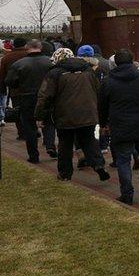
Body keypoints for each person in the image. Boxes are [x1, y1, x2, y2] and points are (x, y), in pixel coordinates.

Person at [35, 47, 110, 182]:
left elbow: (44, 96)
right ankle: (99, 164)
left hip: (65, 114)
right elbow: (98, 90)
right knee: (89, 140)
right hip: (88, 113)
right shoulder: (88, 70)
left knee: (65, 143)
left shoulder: (54, 73)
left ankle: (65, 173)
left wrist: (40, 116)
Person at [99, 49, 139, 204]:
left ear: (116, 63)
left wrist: (103, 123)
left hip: (120, 124)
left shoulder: (107, 81)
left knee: (123, 160)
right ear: (132, 61)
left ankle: (127, 193)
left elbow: (102, 106)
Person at [5, 39, 54, 163]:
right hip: (47, 96)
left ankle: (33, 155)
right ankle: (50, 146)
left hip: (27, 97)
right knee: (49, 122)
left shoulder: (19, 64)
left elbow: (10, 82)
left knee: (29, 126)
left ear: (27, 47)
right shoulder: (49, 63)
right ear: (40, 47)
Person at [0, 37, 33, 139]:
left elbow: (2, 76)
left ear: (13, 45)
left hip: (15, 90)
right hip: (32, 88)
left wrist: (2, 89)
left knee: (18, 112)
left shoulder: (6, 58)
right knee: (31, 111)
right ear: (25, 45)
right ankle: (32, 130)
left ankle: (22, 133)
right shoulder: (31, 56)